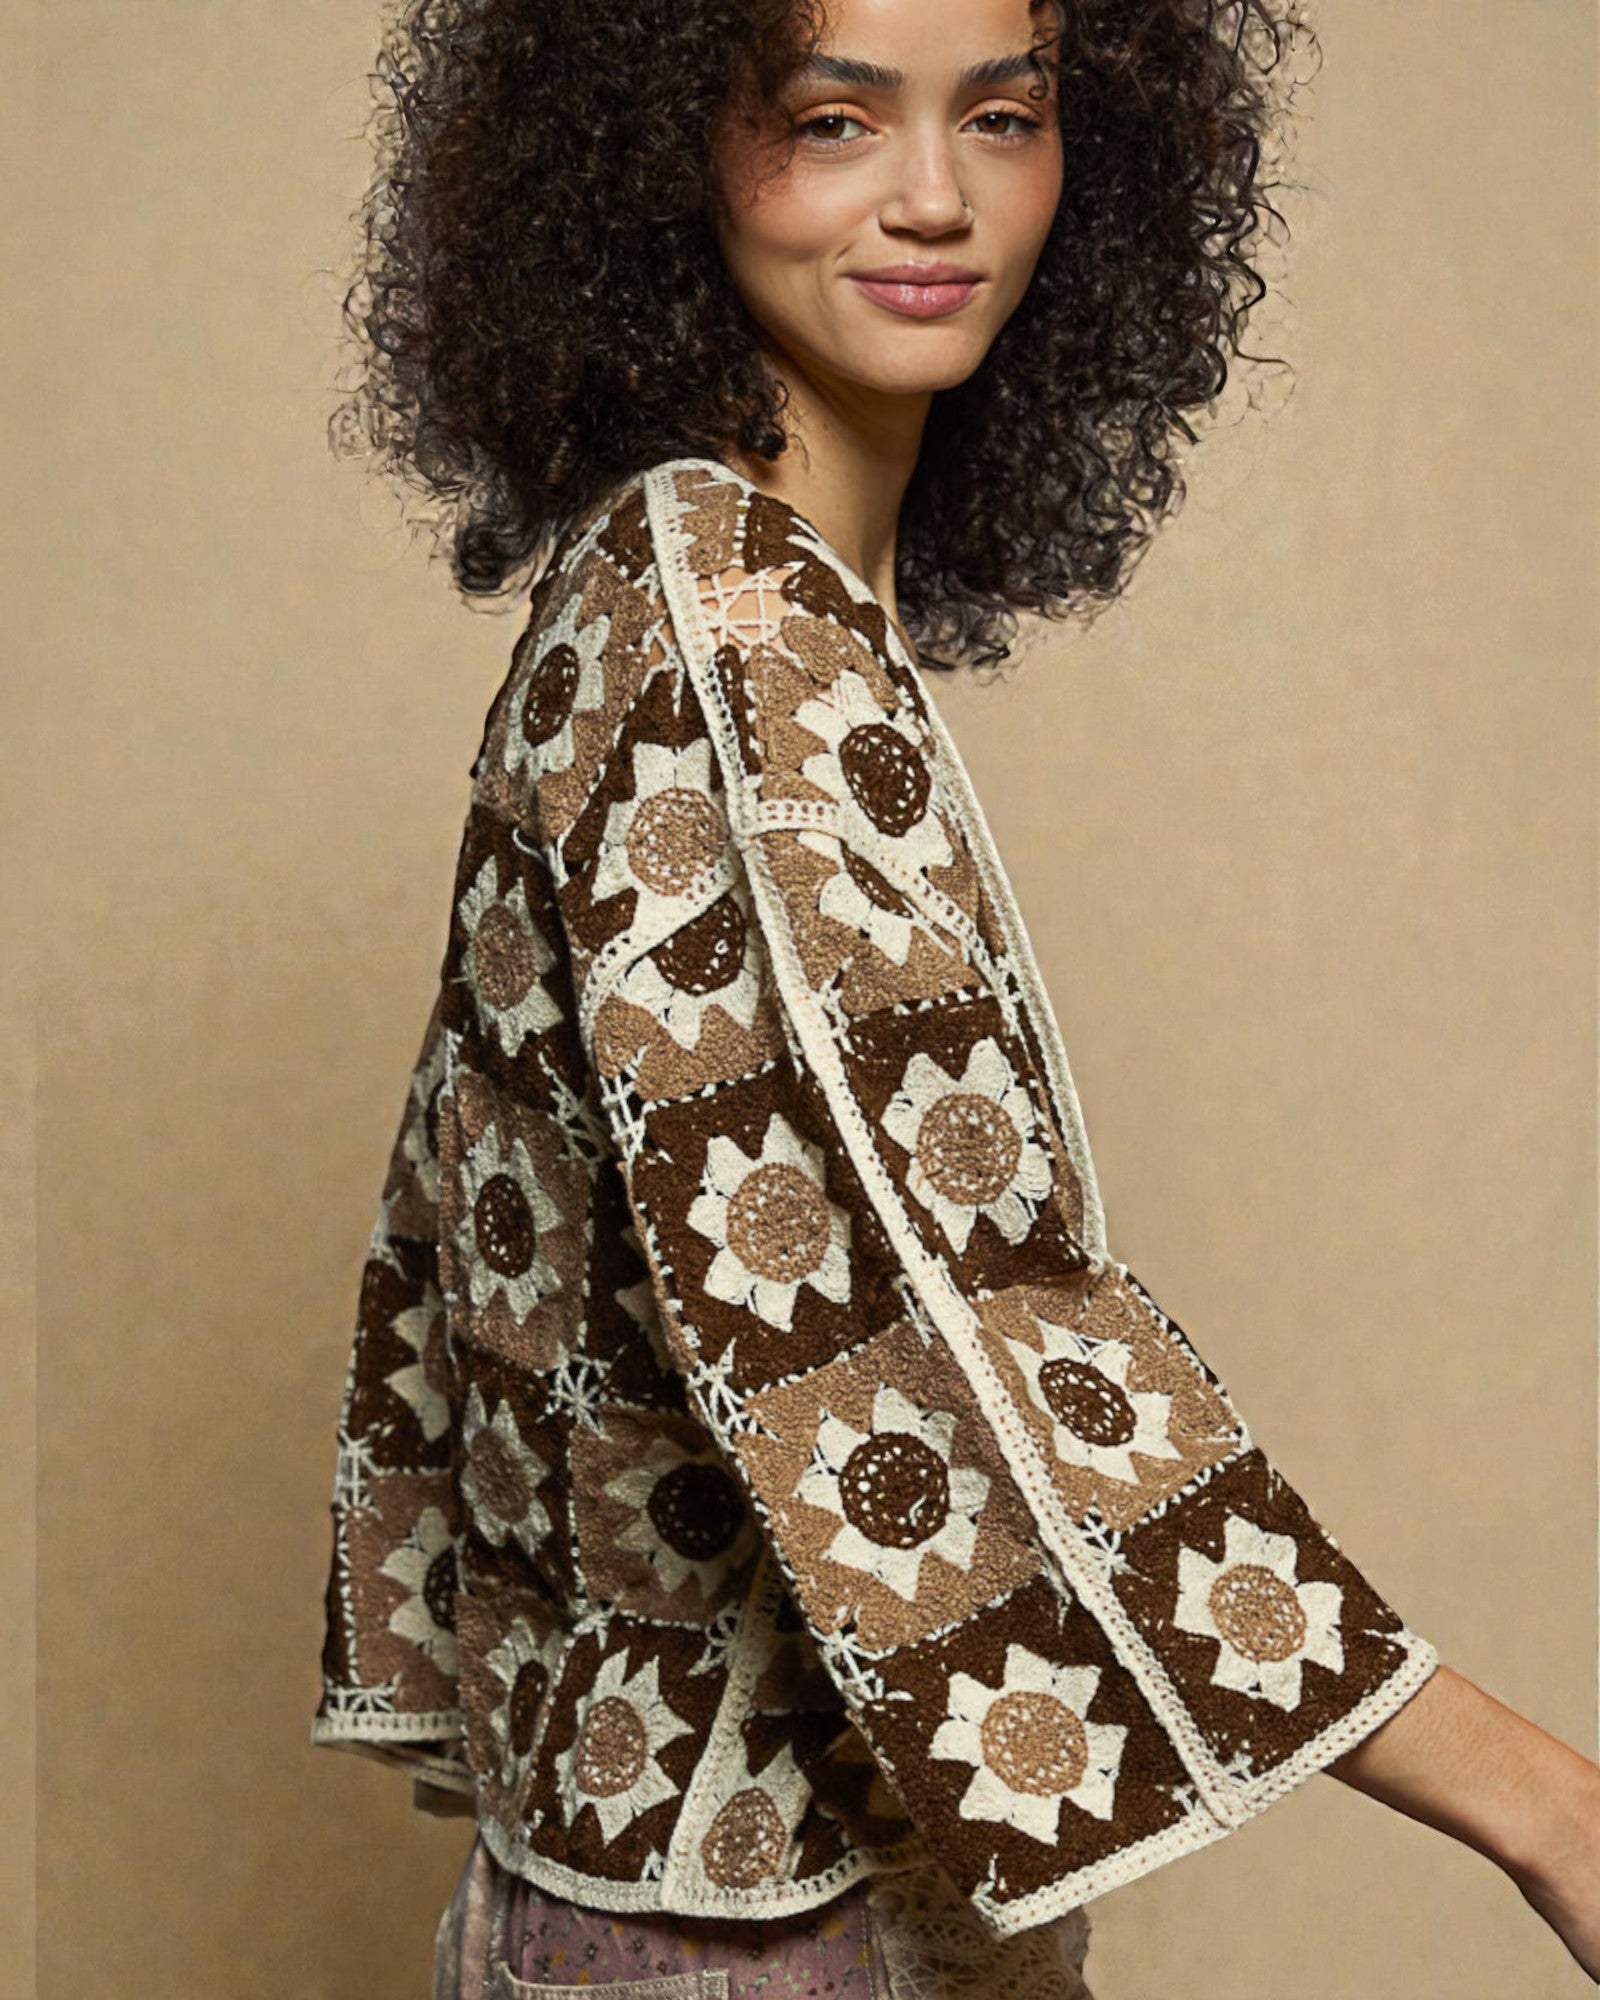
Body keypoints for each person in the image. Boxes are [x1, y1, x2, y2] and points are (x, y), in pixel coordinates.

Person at [310, 0, 1600, 1992]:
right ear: (665, 151)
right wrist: (1546, 1809)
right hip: (752, 1932)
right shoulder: (724, 649)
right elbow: (934, 1311)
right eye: (834, 121)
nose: (934, 199)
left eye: (999, 116)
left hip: (731, 1885)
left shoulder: (705, 592)